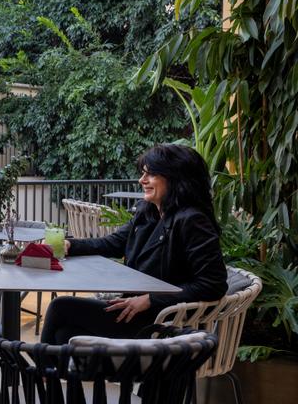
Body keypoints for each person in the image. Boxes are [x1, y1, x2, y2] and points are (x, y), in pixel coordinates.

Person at [40, 143, 228, 344]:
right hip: (133, 310)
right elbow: (113, 243)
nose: (142, 180)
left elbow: (213, 283)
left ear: (176, 178)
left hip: (160, 321)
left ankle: (39, 374)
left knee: (60, 307)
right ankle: (46, 374)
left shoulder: (192, 221)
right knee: (65, 334)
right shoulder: (149, 212)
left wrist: (150, 299)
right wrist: (70, 245)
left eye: (151, 174)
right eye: (143, 173)